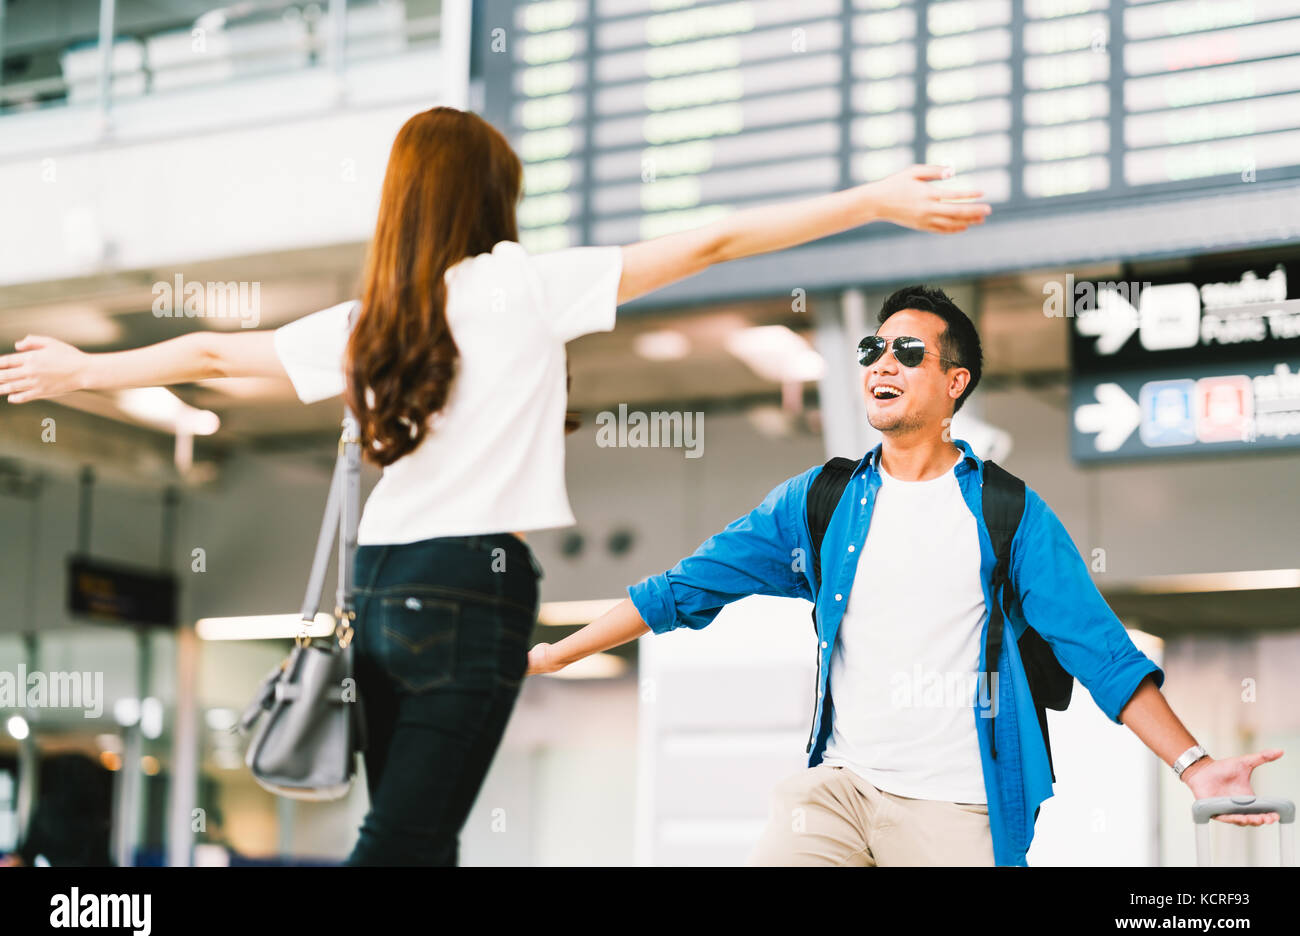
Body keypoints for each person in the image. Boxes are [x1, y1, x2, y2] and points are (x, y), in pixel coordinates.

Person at [0, 107, 990, 865]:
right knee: (403, 845)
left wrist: (86, 372)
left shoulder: (371, 319)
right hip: (474, 590)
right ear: (490, 197)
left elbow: (214, 354)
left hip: (382, 586)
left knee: (420, 841)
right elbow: (716, 241)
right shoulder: (524, 284)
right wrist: (870, 201)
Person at [526, 284, 1285, 866]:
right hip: (841, 788)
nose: (883, 365)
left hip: (958, 810)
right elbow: (685, 587)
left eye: (909, 353)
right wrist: (553, 653)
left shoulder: (1006, 511)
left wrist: (1194, 765)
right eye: (874, 351)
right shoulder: (816, 504)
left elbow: (1101, 649)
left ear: (955, 383)